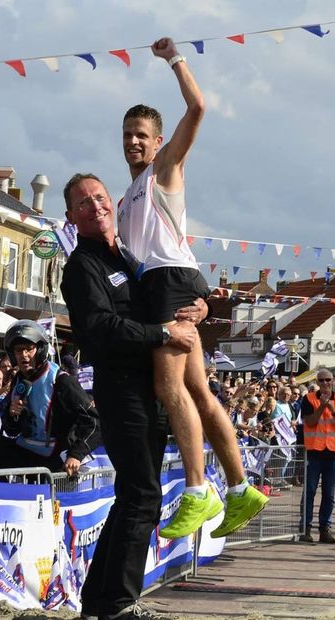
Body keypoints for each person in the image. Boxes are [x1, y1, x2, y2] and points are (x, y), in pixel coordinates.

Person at [63, 173, 232, 620]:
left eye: (99, 198)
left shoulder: (133, 254)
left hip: (153, 389)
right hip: (121, 391)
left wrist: (204, 306)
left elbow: (173, 293)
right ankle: (119, 604)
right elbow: (100, 328)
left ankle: (98, 602)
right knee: (142, 496)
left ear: (113, 204)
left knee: (135, 497)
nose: (95, 206)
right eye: (83, 203)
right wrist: (161, 332)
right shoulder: (83, 266)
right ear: (71, 217)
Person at [117, 40, 265, 539]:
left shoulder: (164, 171)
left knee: (168, 387)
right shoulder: (126, 198)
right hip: (169, 283)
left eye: (142, 136)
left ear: (158, 142)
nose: (134, 143)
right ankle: (242, 487)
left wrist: (175, 59)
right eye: (128, 136)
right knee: (199, 390)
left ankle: (199, 491)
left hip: (169, 281)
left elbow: (198, 107)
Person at [0, 320, 101, 475]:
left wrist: (76, 455)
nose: (24, 355)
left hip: (56, 456)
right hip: (27, 450)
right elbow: (12, 430)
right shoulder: (18, 380)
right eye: (19, 350)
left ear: (40, 349)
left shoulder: (62, 381)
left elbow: (95, 422)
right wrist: (12, 414)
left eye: (29, 349)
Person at [298, 369, 335, 544]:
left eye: (328, 380)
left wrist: (334, 411)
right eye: (322, 380)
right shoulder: (309, 398)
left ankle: (325, 529)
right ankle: (305, 528)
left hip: (333, 452)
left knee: (329, 494)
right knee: (310, 491)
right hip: (314, 452)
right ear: (317, 382)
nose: (325, 383)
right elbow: (310, 421)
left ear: (333, 380)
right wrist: (322, 406)